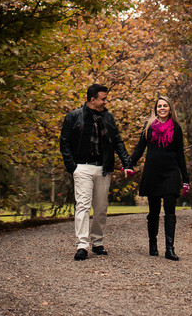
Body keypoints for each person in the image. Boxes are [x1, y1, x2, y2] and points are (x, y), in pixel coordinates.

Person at [59, 83, 134, 260]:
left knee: (101, 208)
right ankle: (82, 245)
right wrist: (73, 168)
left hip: (103, 168)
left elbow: (118, 142)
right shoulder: (73, 117)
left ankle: (98, 243)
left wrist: (127, 163)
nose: (106, 102)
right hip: (82, 167)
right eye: (103, 98)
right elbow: (64, 143)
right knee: (83, 206)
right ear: (92, 99)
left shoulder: (109, 118)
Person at [128, 96, 191, 260]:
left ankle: (170, 249)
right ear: (156, 109)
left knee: (170, 212)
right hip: (152, 173)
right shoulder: (148, 126)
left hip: (170, 173)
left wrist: (186, 179)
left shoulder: (176, 129)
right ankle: (153, 244)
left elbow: (180, 154)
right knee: (153, 212)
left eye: (165, 106)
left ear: (170, 109)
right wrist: (129, 164)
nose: (162, 108)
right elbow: (140, 148)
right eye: (159, 106)